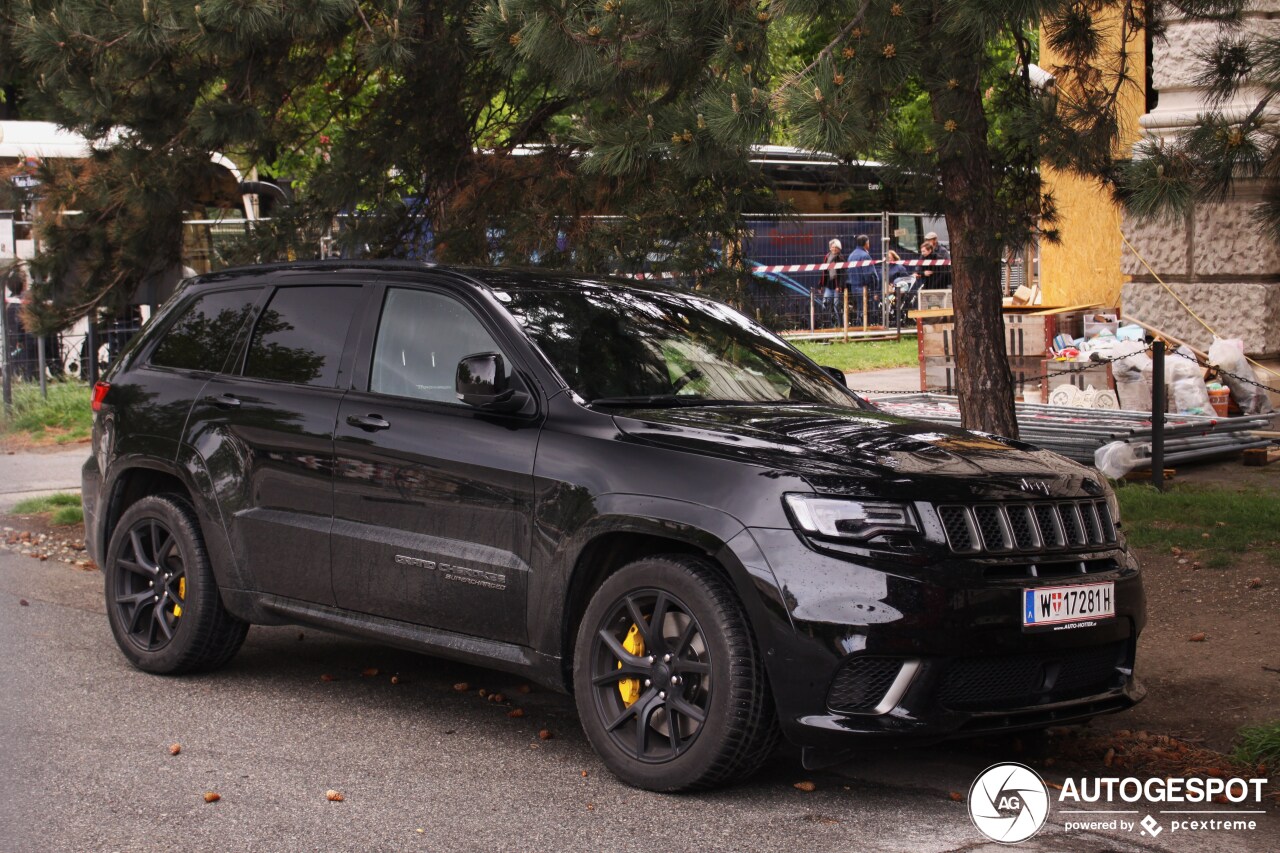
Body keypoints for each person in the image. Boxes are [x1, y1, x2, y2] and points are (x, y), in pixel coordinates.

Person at [846, 235, 880, 326]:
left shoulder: (851, 255)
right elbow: (869, 274)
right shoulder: (865, 256)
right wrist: (874, 288)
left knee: (859, 310)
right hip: (864, 287)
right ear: (866, 243)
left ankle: (859, 327)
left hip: (854, 287)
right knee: (866, 311)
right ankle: (864, 329)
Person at [814, 239, 844, 327]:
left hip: (837, 287)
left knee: (836, 306)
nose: (834, 249)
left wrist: (840, 285)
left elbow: (842, 274)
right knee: (825, 305)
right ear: (830, 248)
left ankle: (839, 326)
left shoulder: (840, 258)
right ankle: (828, 325)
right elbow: (824, 272)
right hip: (828, 286)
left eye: (836, 247)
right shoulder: (827, 257)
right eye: (832, 247)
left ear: (839, 249)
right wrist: (820, 285)